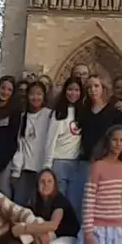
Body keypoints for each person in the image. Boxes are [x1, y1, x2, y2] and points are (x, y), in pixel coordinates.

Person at [78, 125, 122, 244]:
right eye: (115, 140)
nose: (118, 144)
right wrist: (89, 234)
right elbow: (88, 201)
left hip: (114, 228)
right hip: (97, 227)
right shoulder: (97, 166)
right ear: (108, 141)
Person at [31, 167, 80, 244]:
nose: (46, 184)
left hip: (69, 240)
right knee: (36, 236)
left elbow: (53, 225)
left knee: (50, 243)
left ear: (55, 185)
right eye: (42, 181)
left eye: (49, 181)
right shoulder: (36, 203)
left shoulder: (60, 200)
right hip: (54, 239)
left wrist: (28, 229)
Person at [48, 78, 87, 219]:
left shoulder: (82, 112)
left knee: (74, 203)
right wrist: (47, 165)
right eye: (70, 89)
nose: (73, 93)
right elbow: (50, 141)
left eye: (77, 90)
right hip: (59, 162)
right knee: (59, 203)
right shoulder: (58, 113)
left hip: (76, 163)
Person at [13, 81, 54, 209]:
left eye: (39, 94)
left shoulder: (50, 115)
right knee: (19, 206)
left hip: (43, 169)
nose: (35, 97)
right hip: (26, 170)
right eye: (32, 94)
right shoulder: (22, 117)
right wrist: (16, 171)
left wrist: (48, 167)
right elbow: (20, 146)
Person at [78, 77, 122, 188]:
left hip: (106, 161)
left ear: (103, 88)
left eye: (96, 86)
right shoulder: (84, 111)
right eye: (89, 87)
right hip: (86, 161)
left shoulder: (113, 111)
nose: (93, 90)